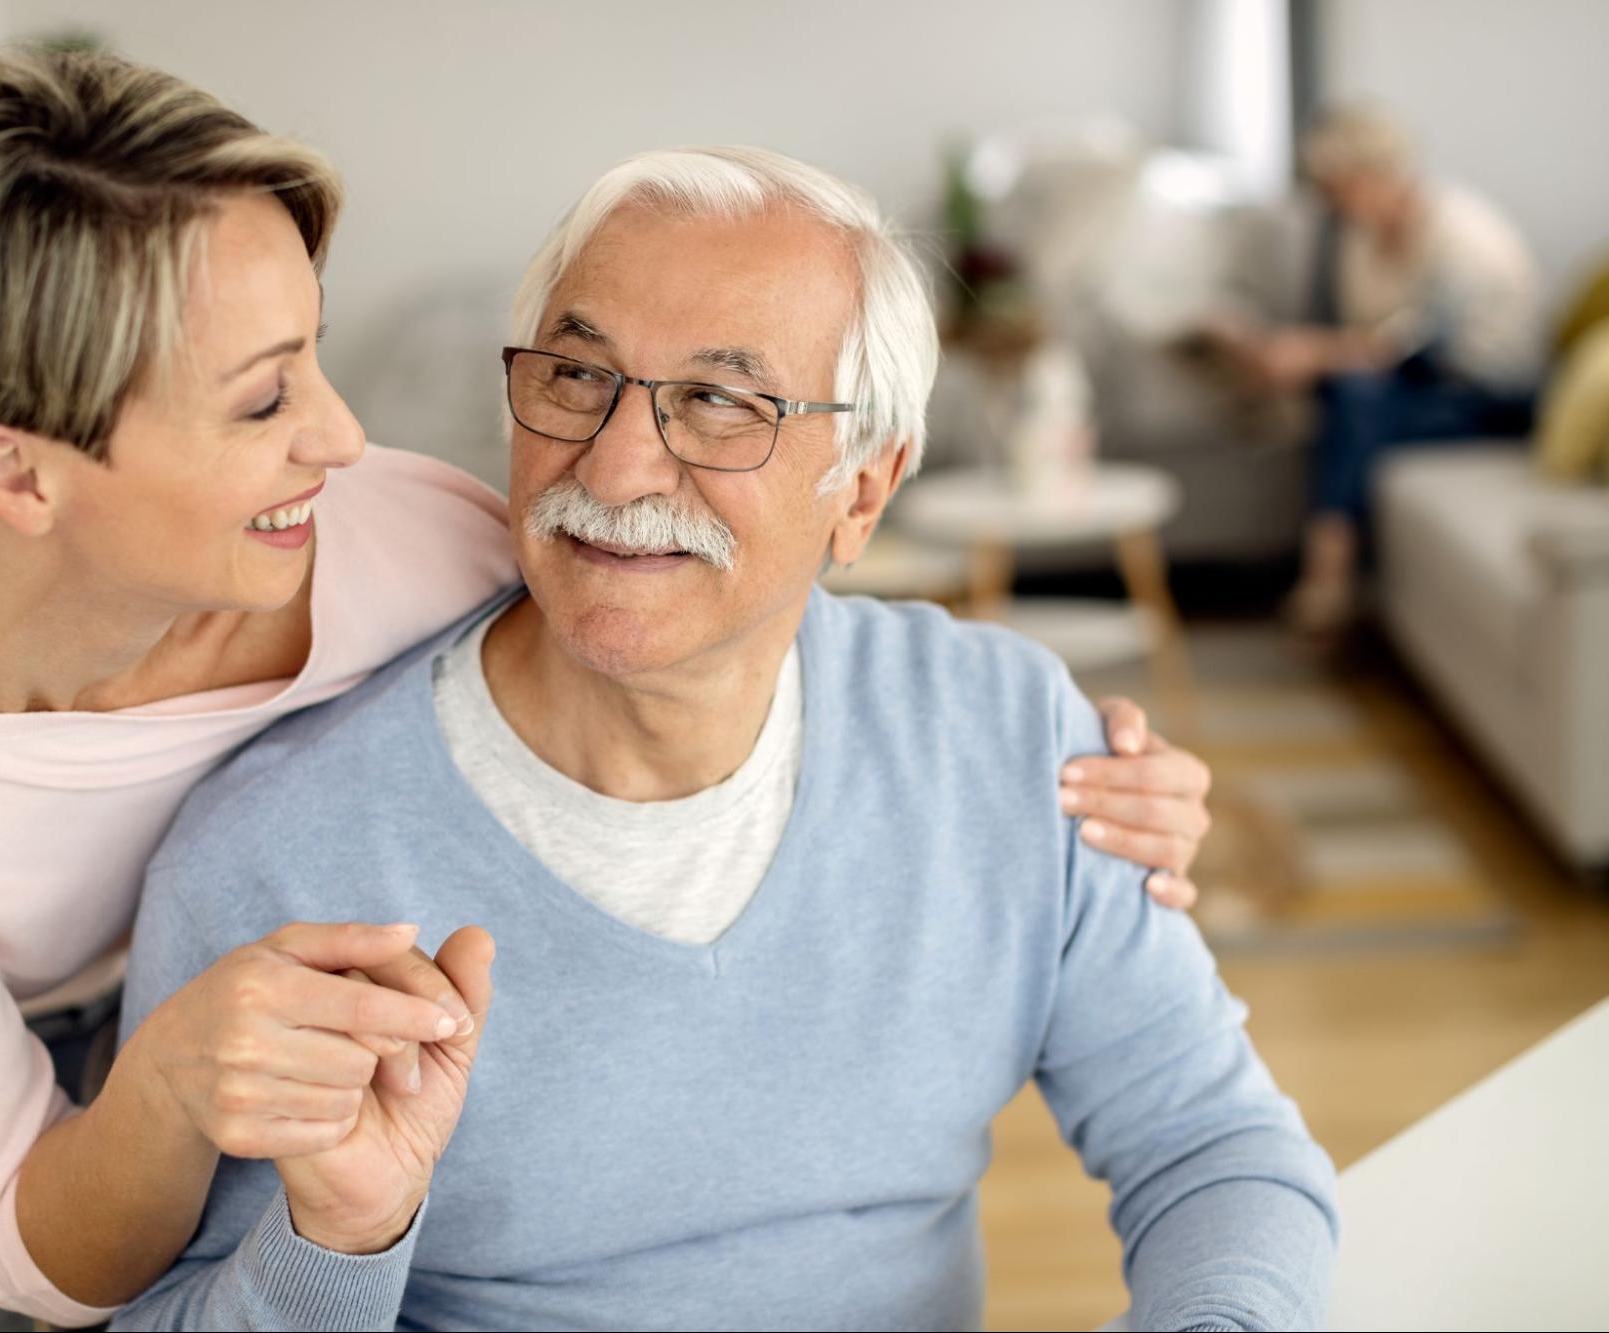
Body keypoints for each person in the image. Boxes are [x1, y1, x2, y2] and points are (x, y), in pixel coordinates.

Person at [0, 48, 1214, 1330]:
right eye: (264, 397)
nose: (343, 439)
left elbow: (698, 585)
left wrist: (1051, 761)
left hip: (224, 974)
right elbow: (32, 1245)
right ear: (16, 472)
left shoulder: (405, 540)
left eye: (312, 356)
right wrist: (171, 1091)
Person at [112, 146, 1337, 1333]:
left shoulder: (1009, 739)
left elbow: (1211, 1145)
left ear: (862, 488)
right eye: (574, 378)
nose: (621, 462)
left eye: (719, 401)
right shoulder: (272, 855)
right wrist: (338, 1246)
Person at [1214, 104, 1539, 634]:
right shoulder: (1357, 236)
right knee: (1345, 392)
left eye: (1342, 188)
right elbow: (1366, 336)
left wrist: (1312, 353)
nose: (1334, 205)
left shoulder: (1463, 237)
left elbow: (1419, 348)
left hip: (1488, 397)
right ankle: (1332, 569)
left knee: (1356, 397)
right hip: (1416, 387)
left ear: (1384, 174)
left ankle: (1329, 569)